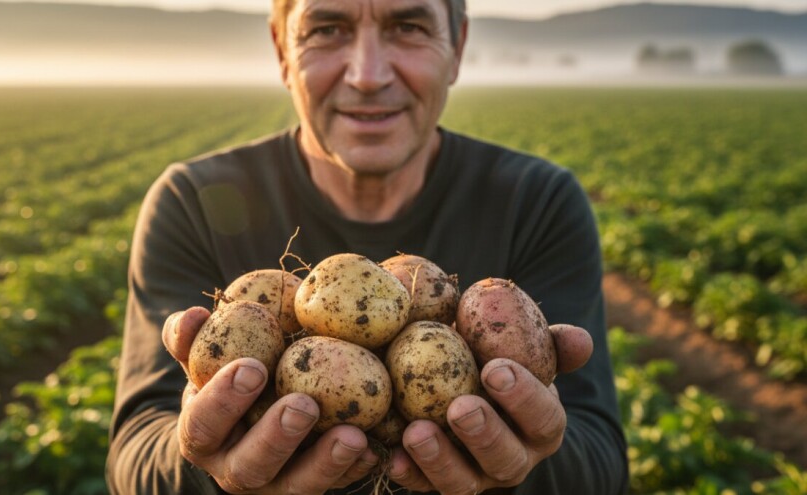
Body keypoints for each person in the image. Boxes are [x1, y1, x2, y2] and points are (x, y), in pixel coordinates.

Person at [106, 0, 629, 493]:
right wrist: (210, 466)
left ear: (457, 48)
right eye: (327, 28)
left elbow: (599, 455)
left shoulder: (540, 202)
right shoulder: (191, 202)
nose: (368, 75)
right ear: (282, 51)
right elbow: (135, 452)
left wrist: (517, 464)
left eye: (409, 26)